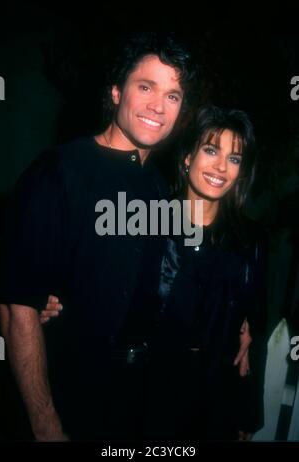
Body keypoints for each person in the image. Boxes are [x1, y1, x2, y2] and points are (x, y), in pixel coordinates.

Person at [0, 32, 200, 441]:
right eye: (146, 87)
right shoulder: (60, 171)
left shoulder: (160, 189)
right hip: (65, 396)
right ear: (115, 92)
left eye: (173, 96)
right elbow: (17, 307)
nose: (158, 107)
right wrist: (44, 423)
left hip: (132, 402)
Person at [145, 105, 268, 441]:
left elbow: (255, 334)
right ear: (187, 157)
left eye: (235, 158)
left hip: (214, 404)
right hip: (146, 396)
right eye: (211, 150)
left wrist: (247, 414)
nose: (221, 167)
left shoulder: (250, 240)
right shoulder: (148, 223)